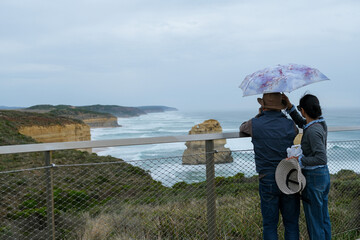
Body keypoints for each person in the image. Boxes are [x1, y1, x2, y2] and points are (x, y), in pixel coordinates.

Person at [240, 92, 300, 240]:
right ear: (281, 106)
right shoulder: (289, 124)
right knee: (291, 224)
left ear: (263, 105)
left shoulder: (255, 123)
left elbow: (243, 128)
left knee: (269, 225)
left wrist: (259, 115)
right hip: (288, 176)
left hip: (267, 178)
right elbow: (296, 131)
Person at [282, 93, 331, 240]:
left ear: (303, 110)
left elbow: (321, 158)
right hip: (323, 176)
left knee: (314, 221)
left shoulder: (313, 131)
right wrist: (290, 107)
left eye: (299, 109)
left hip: (314, 178)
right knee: (323, 218)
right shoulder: (319, 124)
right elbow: (303, 123)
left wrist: (299, 160)